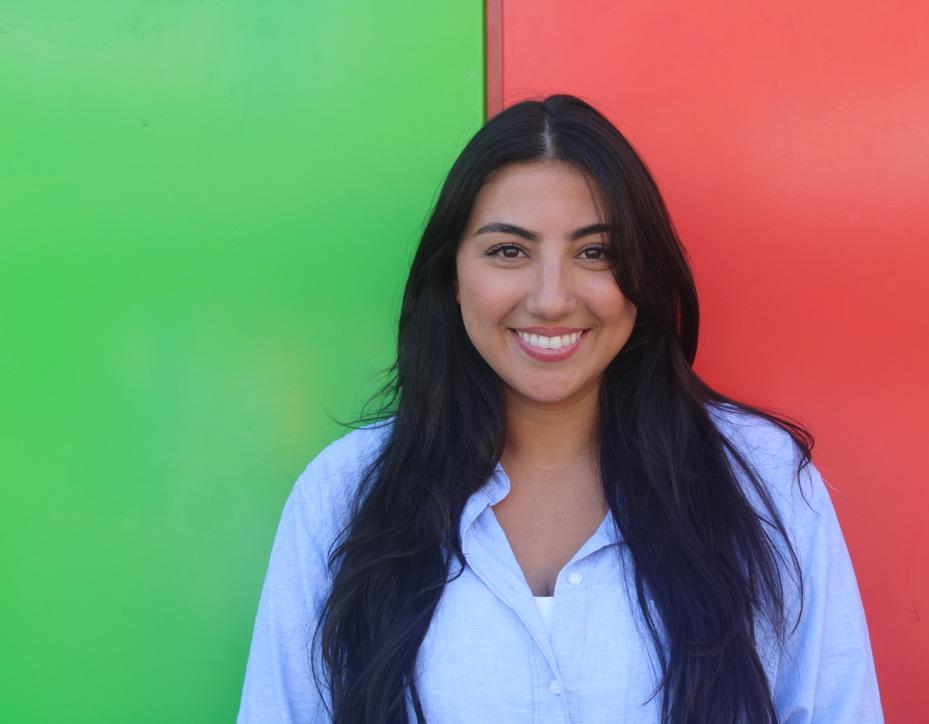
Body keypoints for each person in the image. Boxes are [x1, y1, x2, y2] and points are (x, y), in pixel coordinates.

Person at [237, 94, 883, 723]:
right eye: (508, 251)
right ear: (451, 276)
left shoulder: (763, 481)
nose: (551, 299)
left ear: (643, 275)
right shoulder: (344, 495)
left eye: (595, 252)